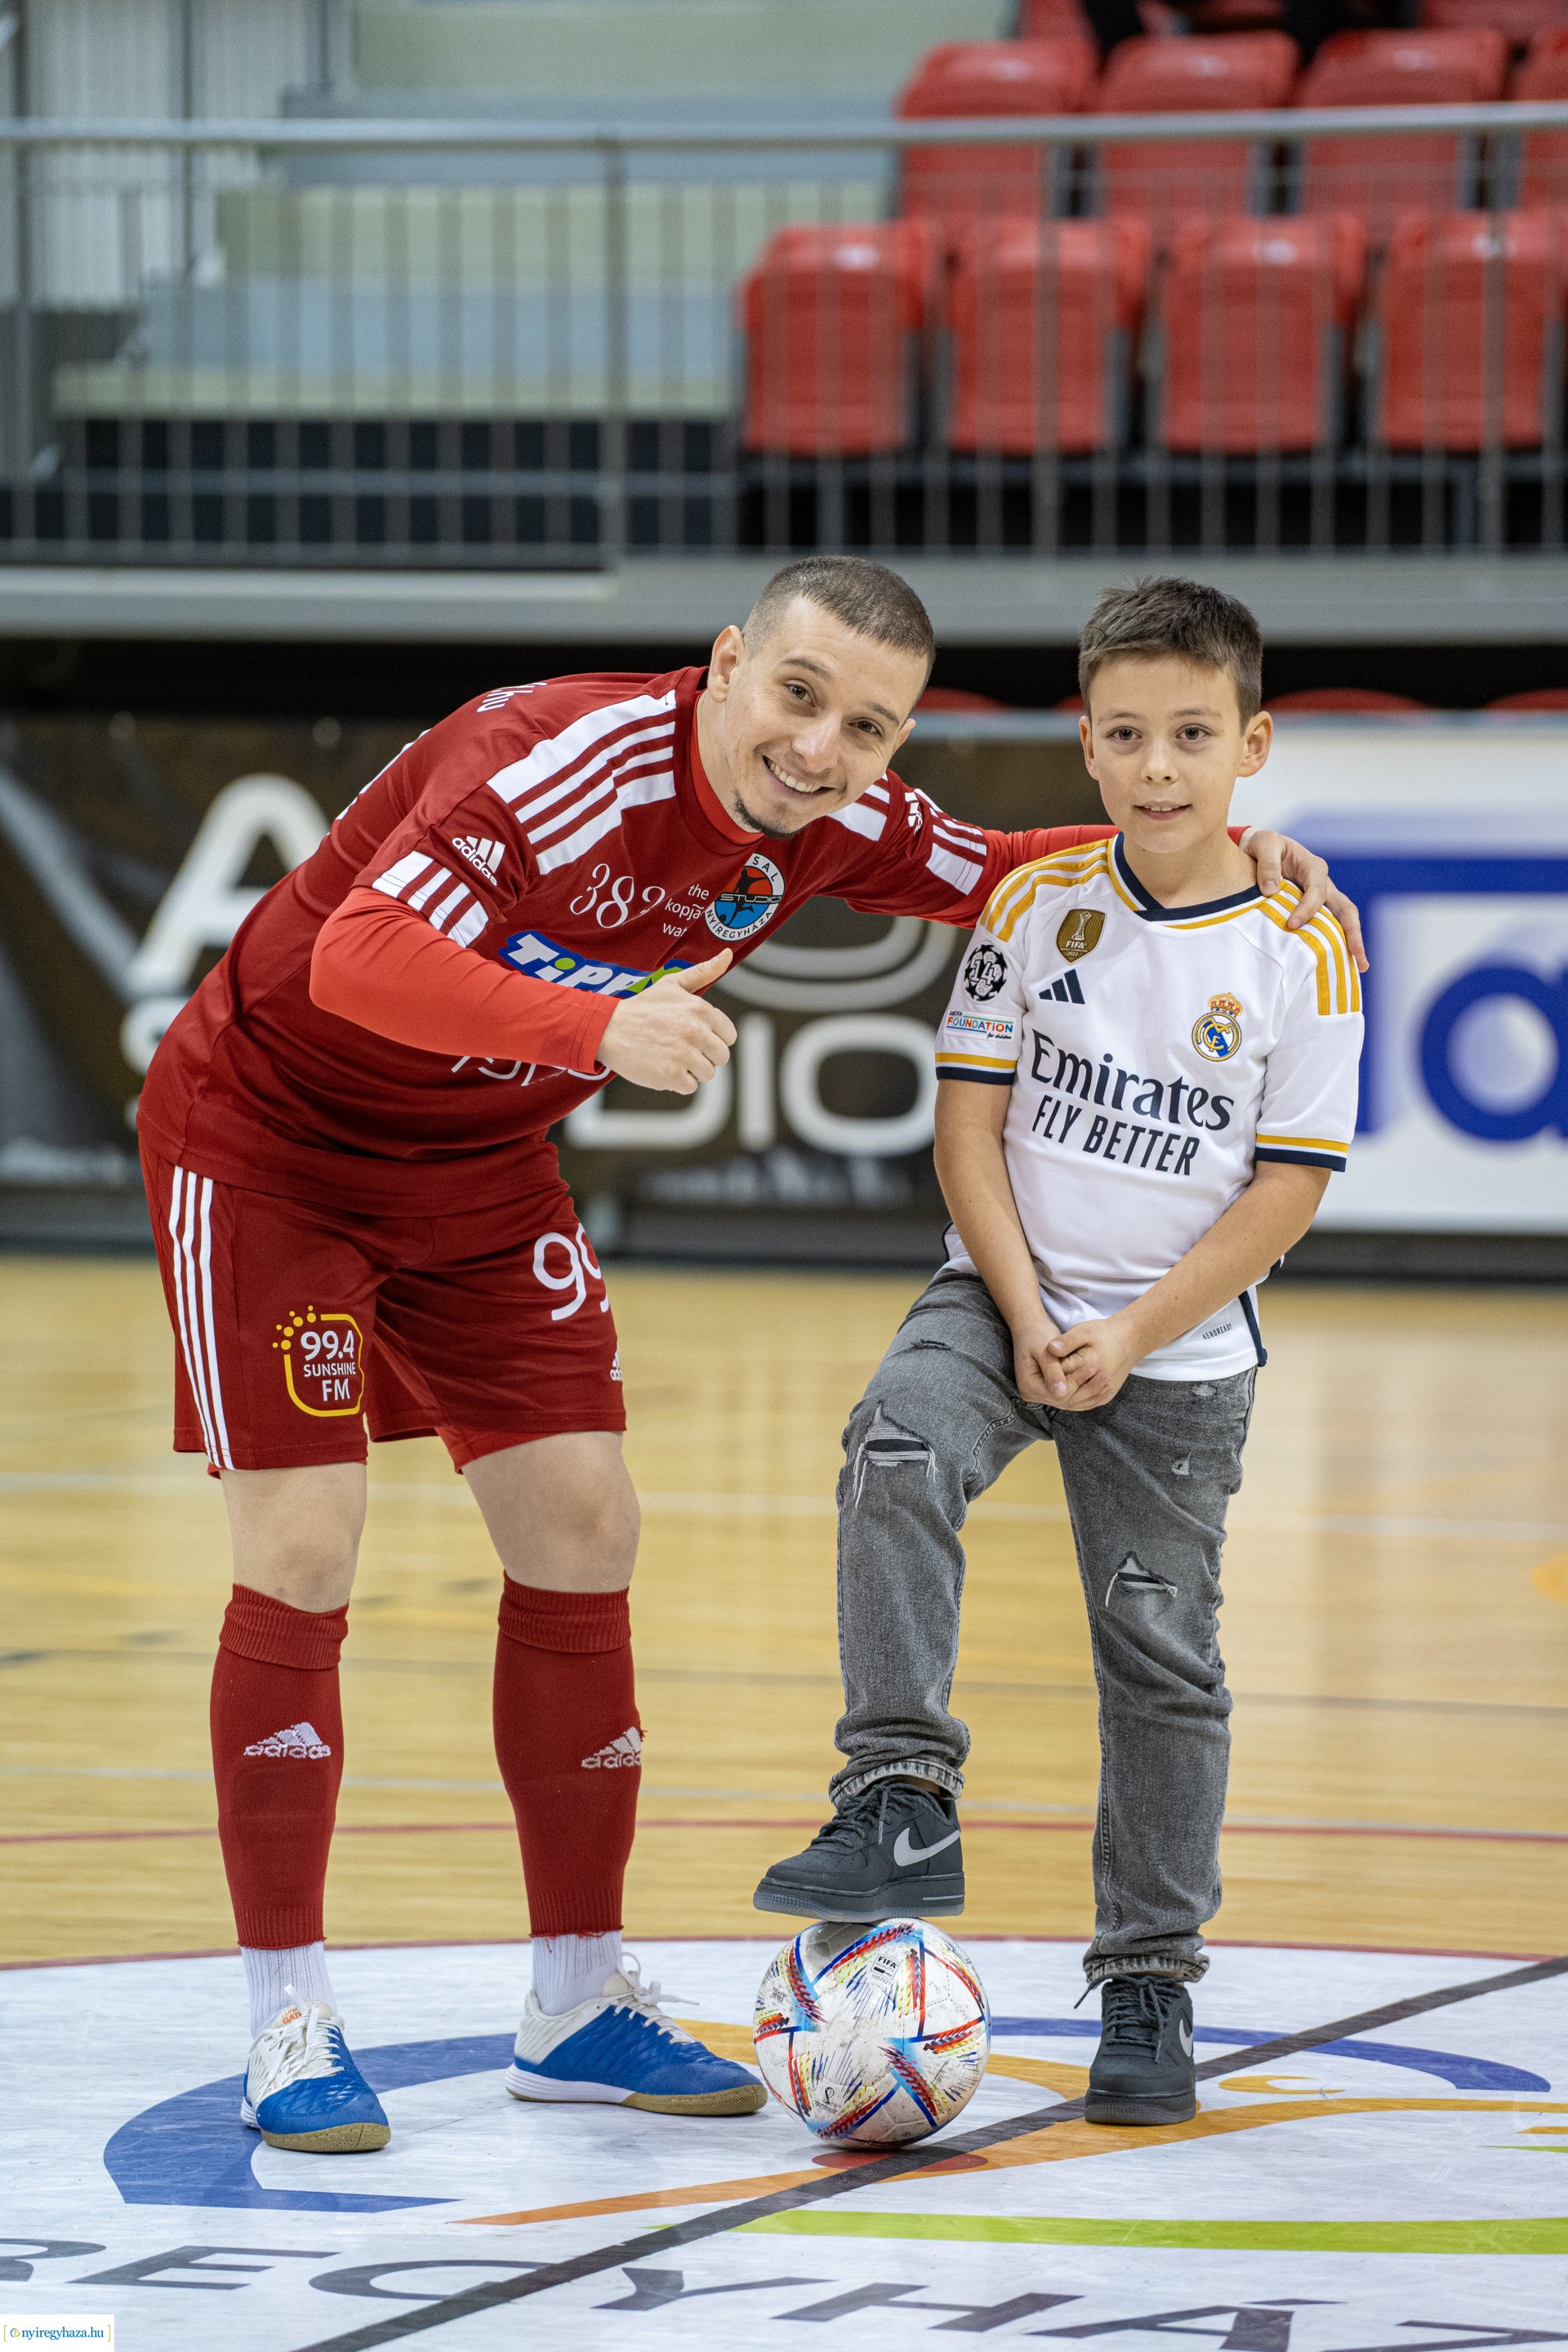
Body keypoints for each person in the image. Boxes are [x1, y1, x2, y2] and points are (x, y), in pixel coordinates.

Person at [136, 554, 1358, 2156]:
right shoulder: (559, 763)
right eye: (798, 697)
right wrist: (599, 1031)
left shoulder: (839, 811)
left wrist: (1232, 852)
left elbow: (1002, 860)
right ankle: (287, 2011)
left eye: (871, 726)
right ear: (724, 664)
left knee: (585, 1530)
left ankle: (575, 2001)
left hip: (483, 1176)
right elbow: (352, 957)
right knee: (302, 1548)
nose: (823, 750)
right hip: (277, 1144)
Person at [754, 577, 1365, 2127]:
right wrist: (1027, 1315)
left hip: (1175, 1354)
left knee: (1162, 1661)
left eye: (1192, 735)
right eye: (1125, 736)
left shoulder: (1305, 947)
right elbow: (968, 1127)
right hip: (1004, 1294)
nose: (1160, 767)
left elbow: (1287, 1190)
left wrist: (1129, 1333)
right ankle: (899, 1795)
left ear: (1254, 744)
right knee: (898, 1442)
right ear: (1084, 751)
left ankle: (1149, 1986)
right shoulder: (1033, 909)